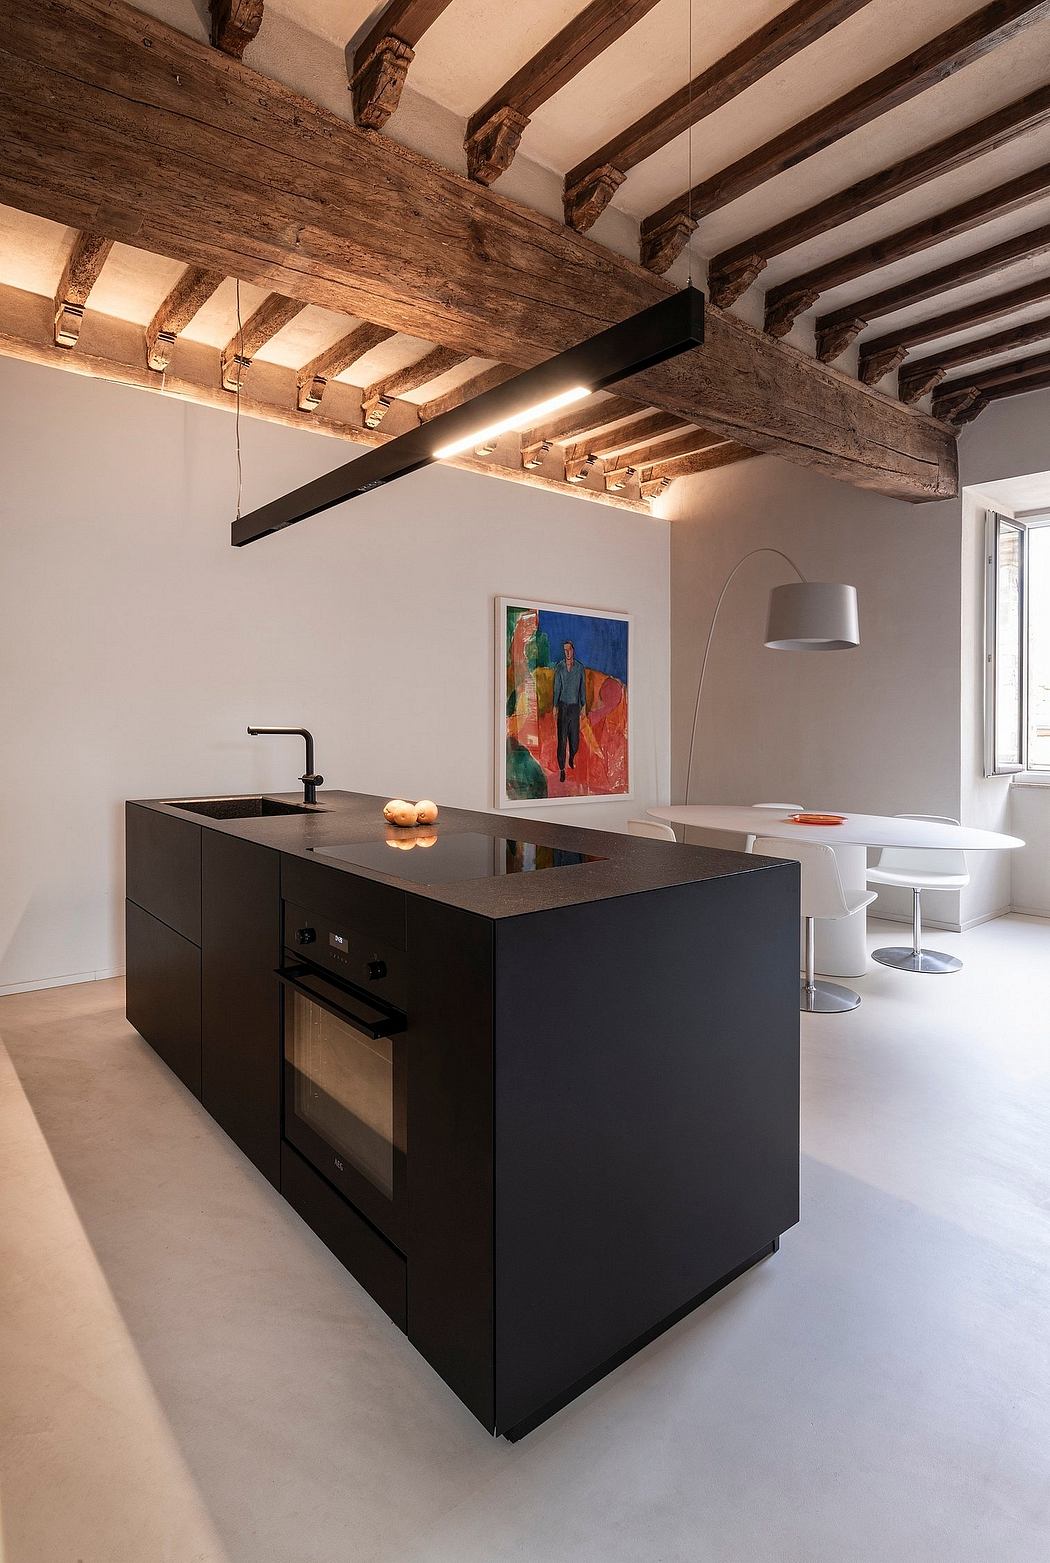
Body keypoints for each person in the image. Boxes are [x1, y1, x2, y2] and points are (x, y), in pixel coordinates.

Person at [552, 640, 586, 782]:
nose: (567, 652)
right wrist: (555, 706)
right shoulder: (559, 667)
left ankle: (572, 756)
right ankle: (562, 769)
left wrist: (583, 705)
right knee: (562, 740)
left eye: (569, 650)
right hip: (563, 707)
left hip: (575, 707)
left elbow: (582, 688)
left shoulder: (580, 668)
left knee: (574, 740)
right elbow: (556, 688)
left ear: (573, 650)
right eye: (565, 650)